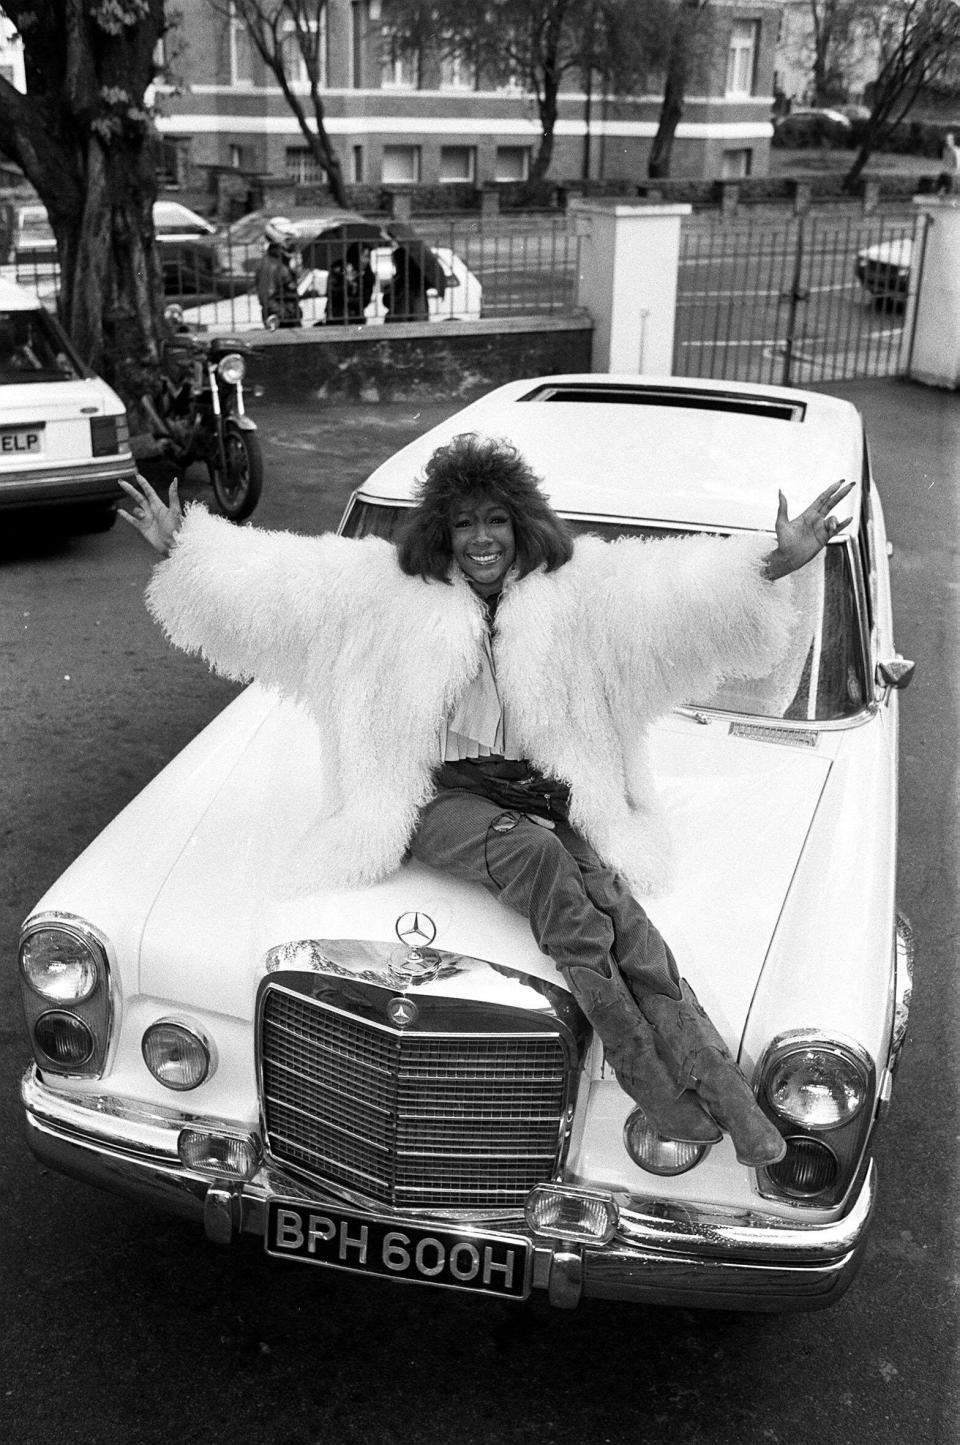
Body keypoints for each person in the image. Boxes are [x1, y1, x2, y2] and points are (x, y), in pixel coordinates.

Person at [117, 435, 851, 1168]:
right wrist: (182, 543)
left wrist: (776, 561)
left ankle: (727, 1094)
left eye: (494, 520)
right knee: (542, 863)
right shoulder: (379, 590)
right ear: (441, 528)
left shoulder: (577, 590)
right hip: (427, 797)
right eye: (464, 523)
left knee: (618, 904)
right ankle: (649, 1078)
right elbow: (279, 579)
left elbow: (672, 589)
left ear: (520, 523)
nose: (480, 539)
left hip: (534, 793)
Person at [256, 217, 302, 329]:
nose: (292, 244)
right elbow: (267, 298)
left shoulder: (281, 261)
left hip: (289, 319)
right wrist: (285, 316)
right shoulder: (270, 265)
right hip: (280, 322)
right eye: (288, 240)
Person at [323, 242, 374, 325]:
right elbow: (331, 293)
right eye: (364, 256)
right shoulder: (337, 269)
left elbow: (365, 300)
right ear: (356, 256)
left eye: (368, 257)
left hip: (356, 319)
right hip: (336, 318)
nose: (367, 260)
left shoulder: (367, 274)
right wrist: (346, 283)